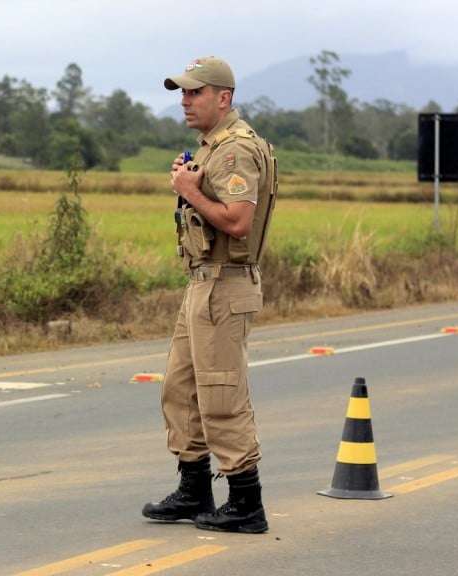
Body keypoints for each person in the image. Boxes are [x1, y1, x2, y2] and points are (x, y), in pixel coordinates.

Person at [141, 56, 277, 533]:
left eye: (194, 93)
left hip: (226, 282)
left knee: (221, 393)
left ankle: (245, 500)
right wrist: (190, 184)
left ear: (224, 97)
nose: (185, 101)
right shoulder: (213, 147)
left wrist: (189, 190)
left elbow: (238, 221)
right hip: (202, 281)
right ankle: (194, 487)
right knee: (179, 390)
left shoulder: (236, 150)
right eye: (182, 93)